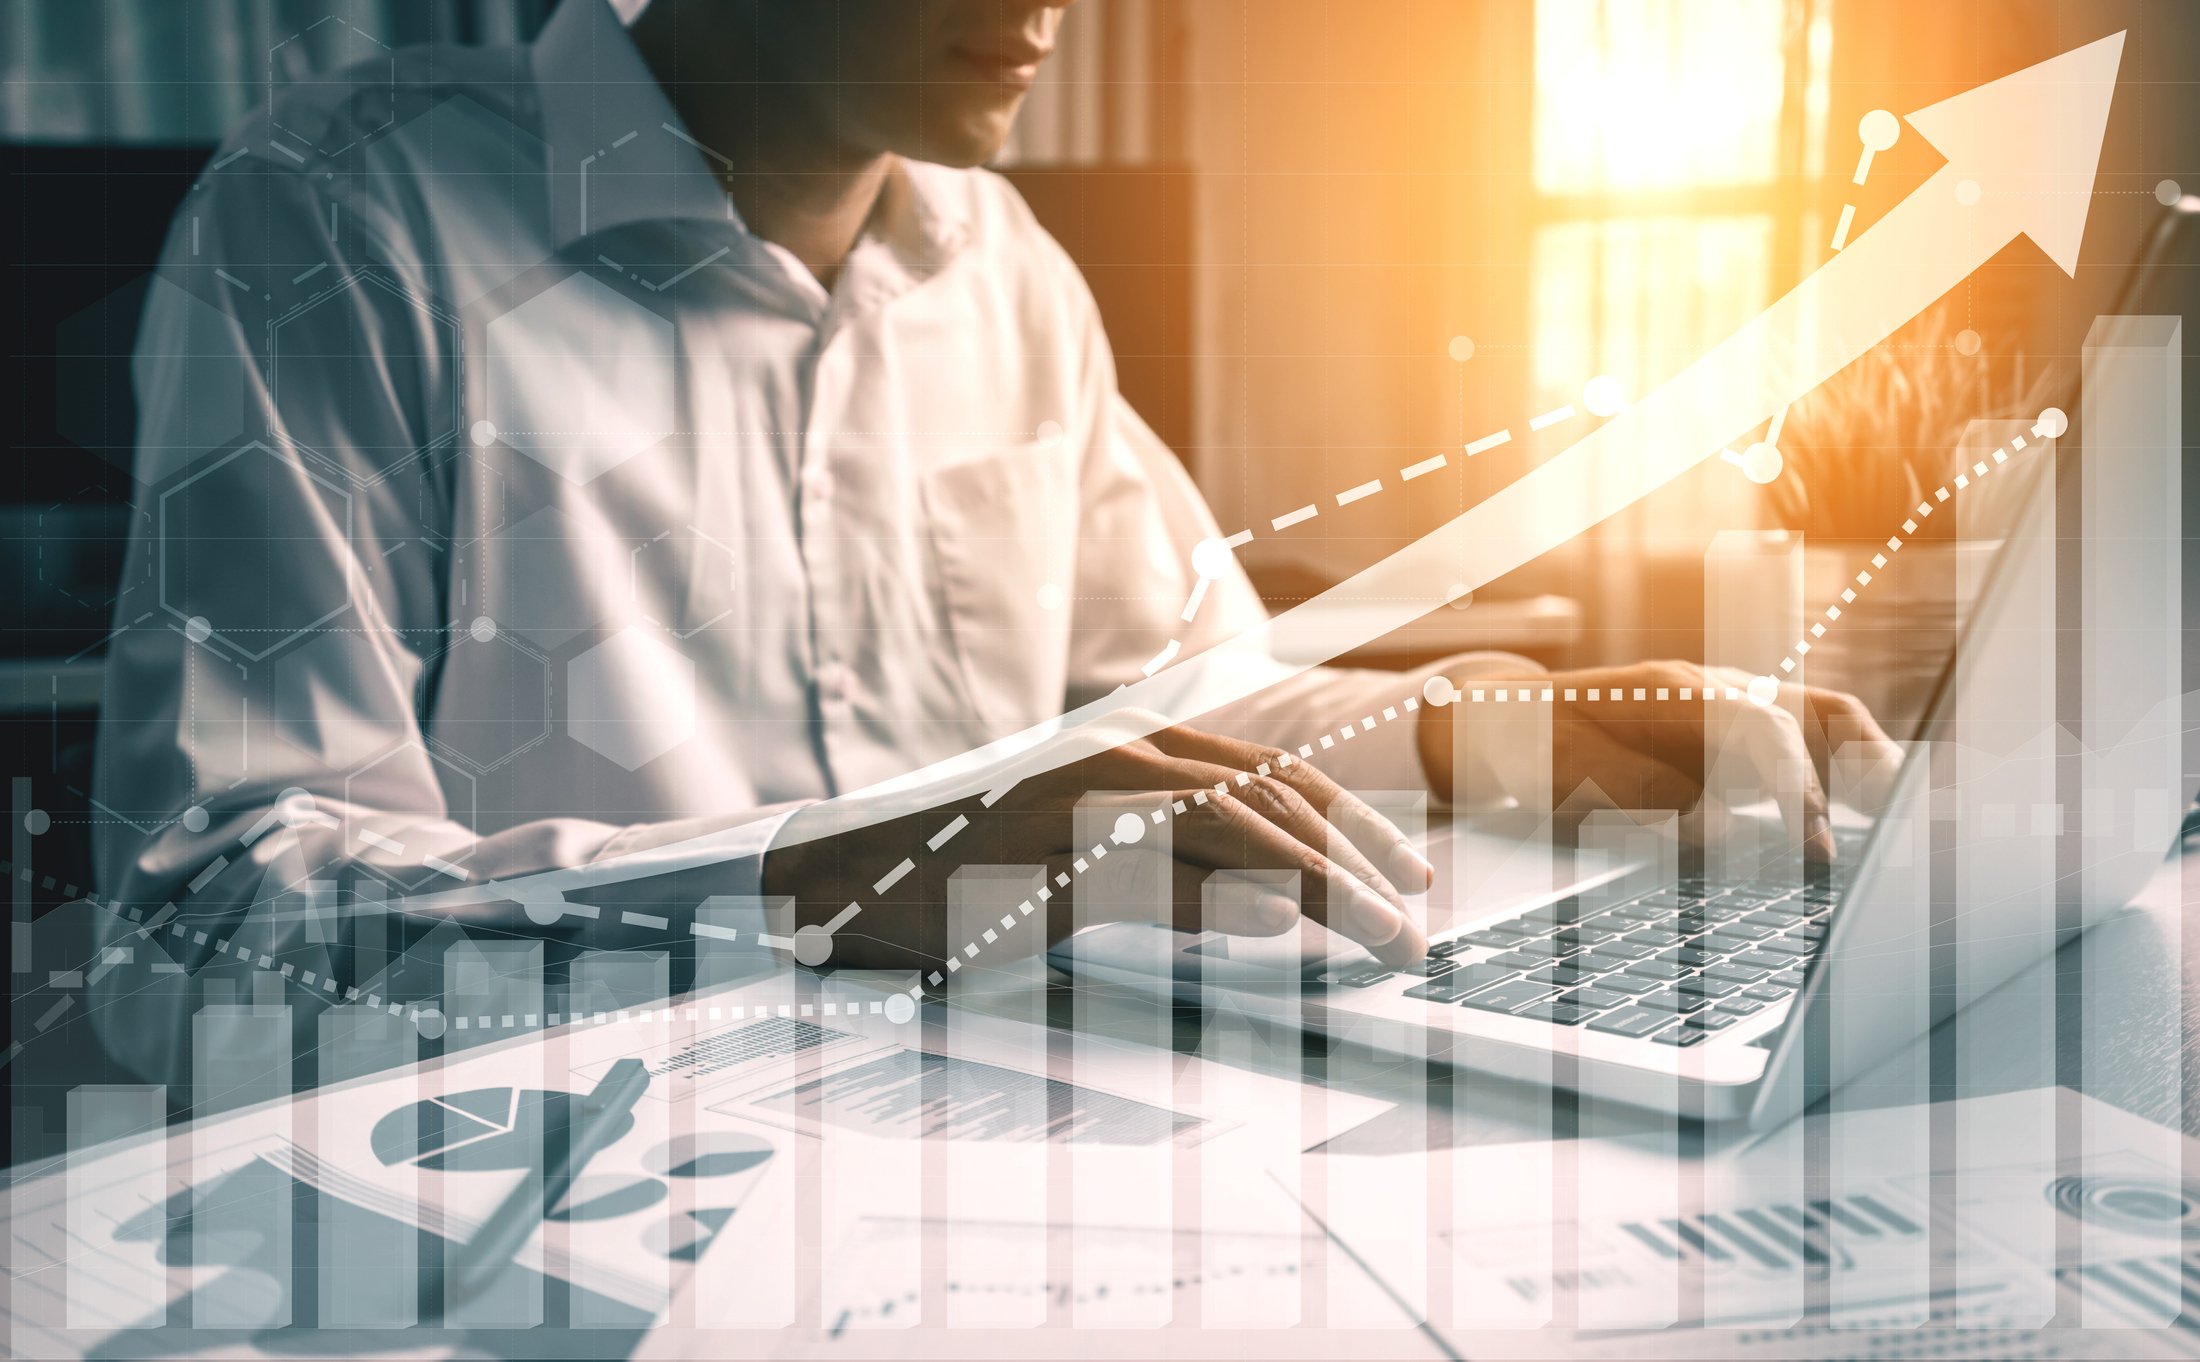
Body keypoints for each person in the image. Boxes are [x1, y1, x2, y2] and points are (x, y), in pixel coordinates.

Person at [92, 0, 1894, 1084]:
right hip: (545, 1166)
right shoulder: (341, 217)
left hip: (1026, 1119)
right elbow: (209, 936)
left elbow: (1184, 704)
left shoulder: (1006, 273)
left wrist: (1489, 726)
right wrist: (863, 877)